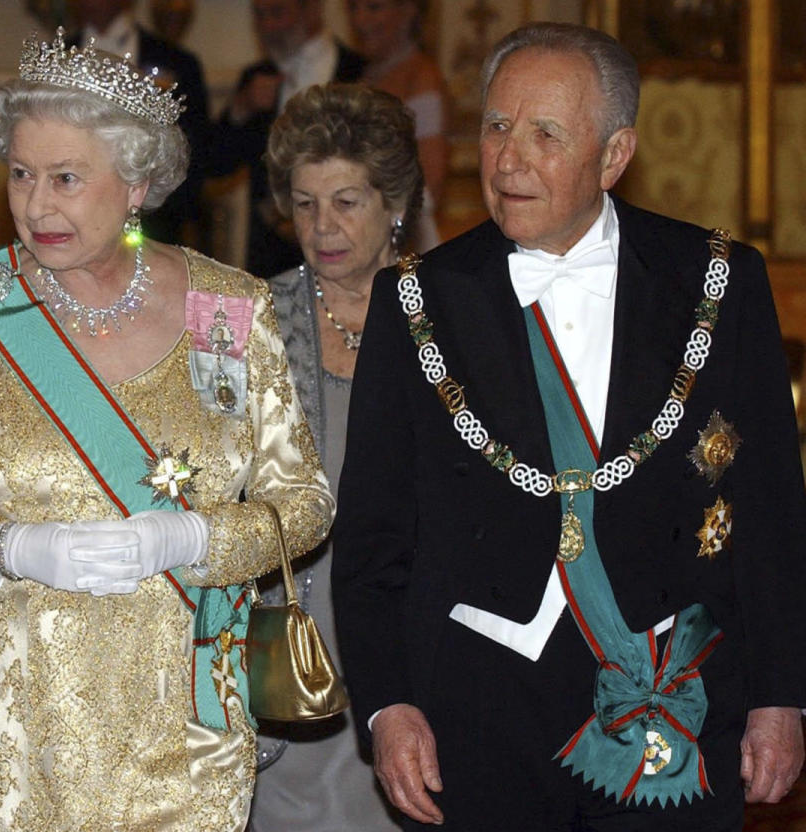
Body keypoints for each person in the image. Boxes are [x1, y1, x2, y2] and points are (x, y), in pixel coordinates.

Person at [332, 21, 806, 831]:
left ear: (615, 155)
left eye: (545, 133)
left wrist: (780, 697)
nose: (507, 158)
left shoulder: (718, 283)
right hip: (477, 711)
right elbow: (375, 533)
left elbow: (770, 511)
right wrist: (386, 705)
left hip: (670, 696)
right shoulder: (417, 300)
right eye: (496, 126)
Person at [0, 29, 333, 831]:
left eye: (66, 178)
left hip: (189, 708)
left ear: (139, 183)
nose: (35, 204)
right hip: (12, 705)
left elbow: (306, 504)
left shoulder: (224, 310)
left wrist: (190, 540)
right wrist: (11, 549)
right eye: (20, 173)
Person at [249, 82, 423, 831]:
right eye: (305, 201)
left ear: (396, 204)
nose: (322, 227)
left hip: (410, 632)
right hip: (289, 632)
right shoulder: (245, 318)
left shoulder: (448, 318)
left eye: (347, 201)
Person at [209, 0, 365, 278]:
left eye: (277, 12)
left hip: (345, 249)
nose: (268, 26)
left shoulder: (360, 73)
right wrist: (241, 108)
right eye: (260, 15)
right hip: (271, 259)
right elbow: (214, 166)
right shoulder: (256, 77)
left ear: (312, 10)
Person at [71, 0, 210, 247]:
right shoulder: (57, 54)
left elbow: (196, 144)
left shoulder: (177, 61)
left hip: (156, 216)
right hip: (73, 205)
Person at [347, 0, 448, 252]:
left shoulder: (421, 78)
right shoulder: (361, 76)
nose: (360, 19)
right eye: (353, 7)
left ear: (409, 10)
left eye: (374, 7)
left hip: (399, 243)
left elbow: (430, 185)